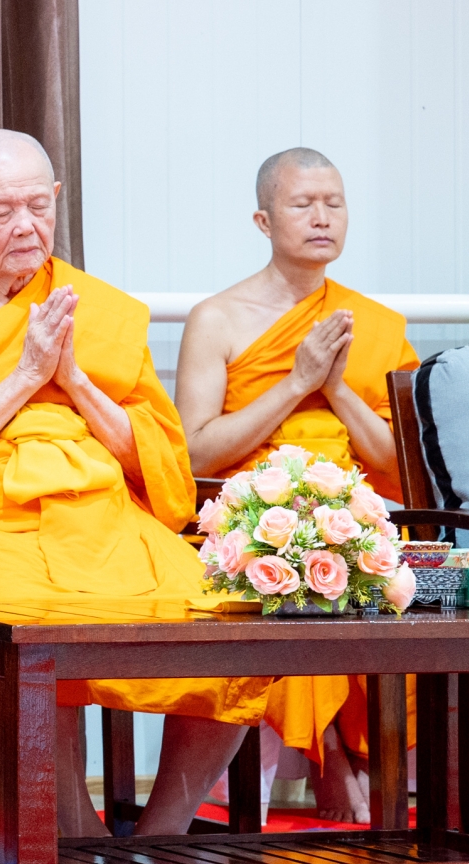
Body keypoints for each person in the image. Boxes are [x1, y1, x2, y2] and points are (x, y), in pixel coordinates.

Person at [0, 130, 269, 864]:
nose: (25, 225)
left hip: (107, 515)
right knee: (29, 623)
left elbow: (157, 457)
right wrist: (25, 376)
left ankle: (162, 838)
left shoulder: (101, 311)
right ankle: (79, 837)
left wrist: (76, 382)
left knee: (239, 623)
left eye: (38, 205)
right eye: (1, 211)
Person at [177, 147, 417, 822]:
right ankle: (334, 760)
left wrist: (336, 389)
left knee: (350, 564)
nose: (321, 218)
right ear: (263, 219)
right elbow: (195, 449)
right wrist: (296, 384)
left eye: (334, 204)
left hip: (357, 514)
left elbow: (401, 465)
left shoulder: (373, 324)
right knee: (291, 575)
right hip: (243, 515)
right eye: (302, 204)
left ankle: (345, 760)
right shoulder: (218, 318)